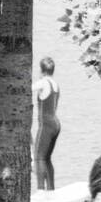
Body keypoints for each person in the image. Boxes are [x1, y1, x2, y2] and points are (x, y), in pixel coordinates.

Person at [31, 57, 61, 191]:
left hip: (46, 125)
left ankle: (40, 190)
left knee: (38, 158)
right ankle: (51, 189)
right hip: (56, 124)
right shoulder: (55, 84)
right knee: (46, 158)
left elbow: (27, 89)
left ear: (41, 70)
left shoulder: (43, 83)